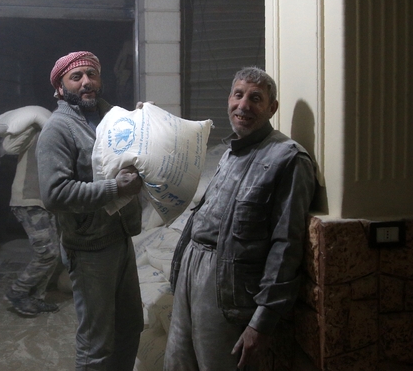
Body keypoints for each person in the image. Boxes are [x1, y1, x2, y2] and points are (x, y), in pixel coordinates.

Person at [164, 67, 317, 370]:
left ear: (272, 108)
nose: (243, 105)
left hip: (226, 287)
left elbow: (286, 246)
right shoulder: (231, 151)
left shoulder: (288, 158)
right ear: (229, 100)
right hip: (191, 274)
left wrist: (262, 321)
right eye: (238, 95)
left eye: (255, 98)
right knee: (178, 364)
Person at [37, 51, 144, 370]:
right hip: (89, 248)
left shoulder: (113, 118)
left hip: (120, 238)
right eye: (76, 77)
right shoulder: (58, 129)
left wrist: (145, 126)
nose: (87, 82)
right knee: (96, 343)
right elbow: (55, 194)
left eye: (92, 74)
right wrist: (115, 189)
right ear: (60, 88)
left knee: (130, 327)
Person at [4, 128, 61, 316]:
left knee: (54, 253)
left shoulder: (59, 135)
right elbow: (8, 147)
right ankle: (18, 291)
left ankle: (37, 298)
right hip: (28, 201)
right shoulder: (34, 131)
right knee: (47, 253)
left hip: (46, 203)